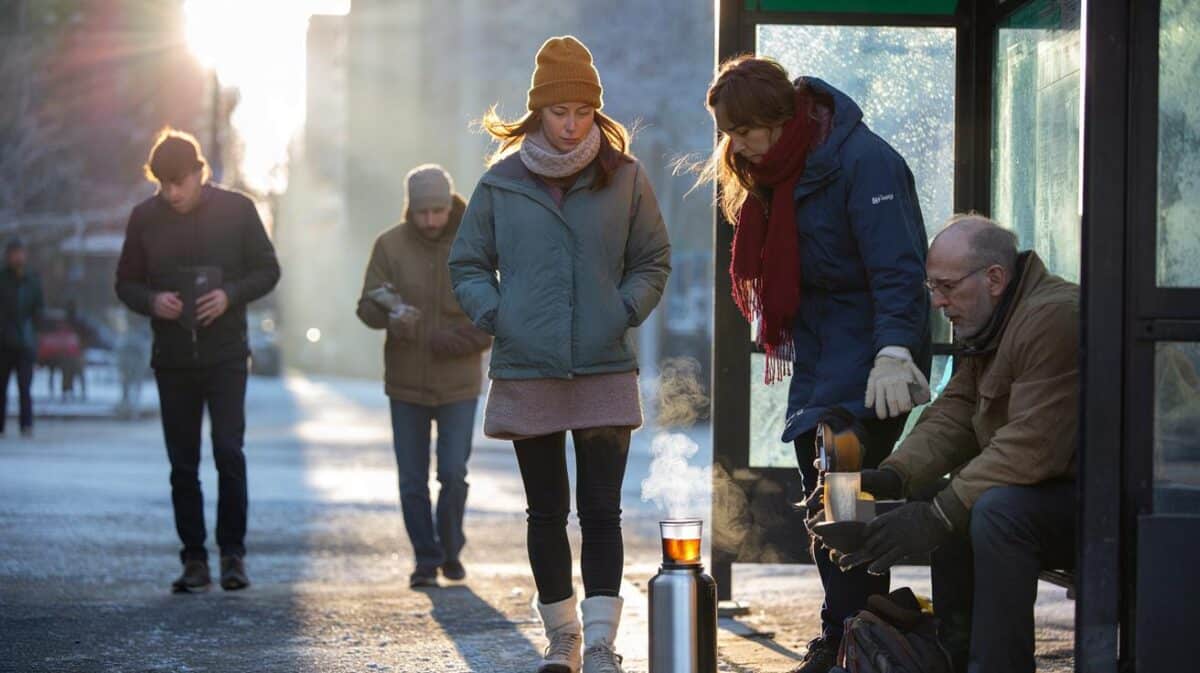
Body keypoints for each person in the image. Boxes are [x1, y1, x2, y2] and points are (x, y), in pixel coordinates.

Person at [701, 56, 932, 673]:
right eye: (729, 133)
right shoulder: (778, 168)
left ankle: (853, 637)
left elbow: (899, 269)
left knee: (843, 493)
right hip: (824, 355)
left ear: (780, 117)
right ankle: (861, 635)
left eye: (745, 130)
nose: (737, 145)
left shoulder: (863, 161)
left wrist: (895, 351)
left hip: (874, 353)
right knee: (827, 499)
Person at [450, 35, 670, 673]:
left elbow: (652, 259)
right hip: (529, 368)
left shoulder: (625, 178)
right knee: (546, 513)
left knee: (601, 510)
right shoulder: (501, 183)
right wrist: (498, 316)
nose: (571, 126)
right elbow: (467, 263)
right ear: (537, 112)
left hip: (603, 362)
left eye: (582, 111)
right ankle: (563, 639)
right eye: (558, 112)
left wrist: (624, 309)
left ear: (596, 112)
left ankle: (601, 642)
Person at [826, 215, 1079, 673]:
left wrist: (940, 515)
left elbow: (1032, 445)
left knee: (993, 511)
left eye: (946, 287)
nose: (938, 302)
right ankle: (955, 654)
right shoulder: (994, 320)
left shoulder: (1054, 317)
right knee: (943, 498)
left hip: (1126, 500)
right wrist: (893, 477)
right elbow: (955, 413)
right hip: (1061, 486)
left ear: (995, 278)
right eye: (932, 289)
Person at [115, 129, 280, 593]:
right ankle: (193, 559)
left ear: (199, 173)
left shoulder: (238, 210)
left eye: (178, 182)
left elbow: (269, 270)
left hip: (227, 355)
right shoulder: (144, 218)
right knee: (182, 463)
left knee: (229, 451)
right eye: (161, 183)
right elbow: (124, 283)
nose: (171, 192)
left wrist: (230, 294)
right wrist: (151, 301)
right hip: (173, 360)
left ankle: (233, 556)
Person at [356, 164, 491, 589]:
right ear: (409, 209)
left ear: (449, 205)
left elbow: (492, 316)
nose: (431, 220)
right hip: (406, 384)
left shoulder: (474, 245)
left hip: (458, 386)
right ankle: (425, 558)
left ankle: (450, 548)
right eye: (422, 212)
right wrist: (390, 313)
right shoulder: (389, 246)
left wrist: (450, 340)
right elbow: (365, 307)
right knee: (412, 479)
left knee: (453, 472)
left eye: (437, 210)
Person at [1, 237, 44, 438]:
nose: (18, 257)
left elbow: (38, 313)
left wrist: (35, 339)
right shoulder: (2, 279)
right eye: (14, 253)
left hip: (25, 343)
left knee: (25, 387)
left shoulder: (32, 280)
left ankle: (26, 425)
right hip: (3, 343)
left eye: (20, 252)